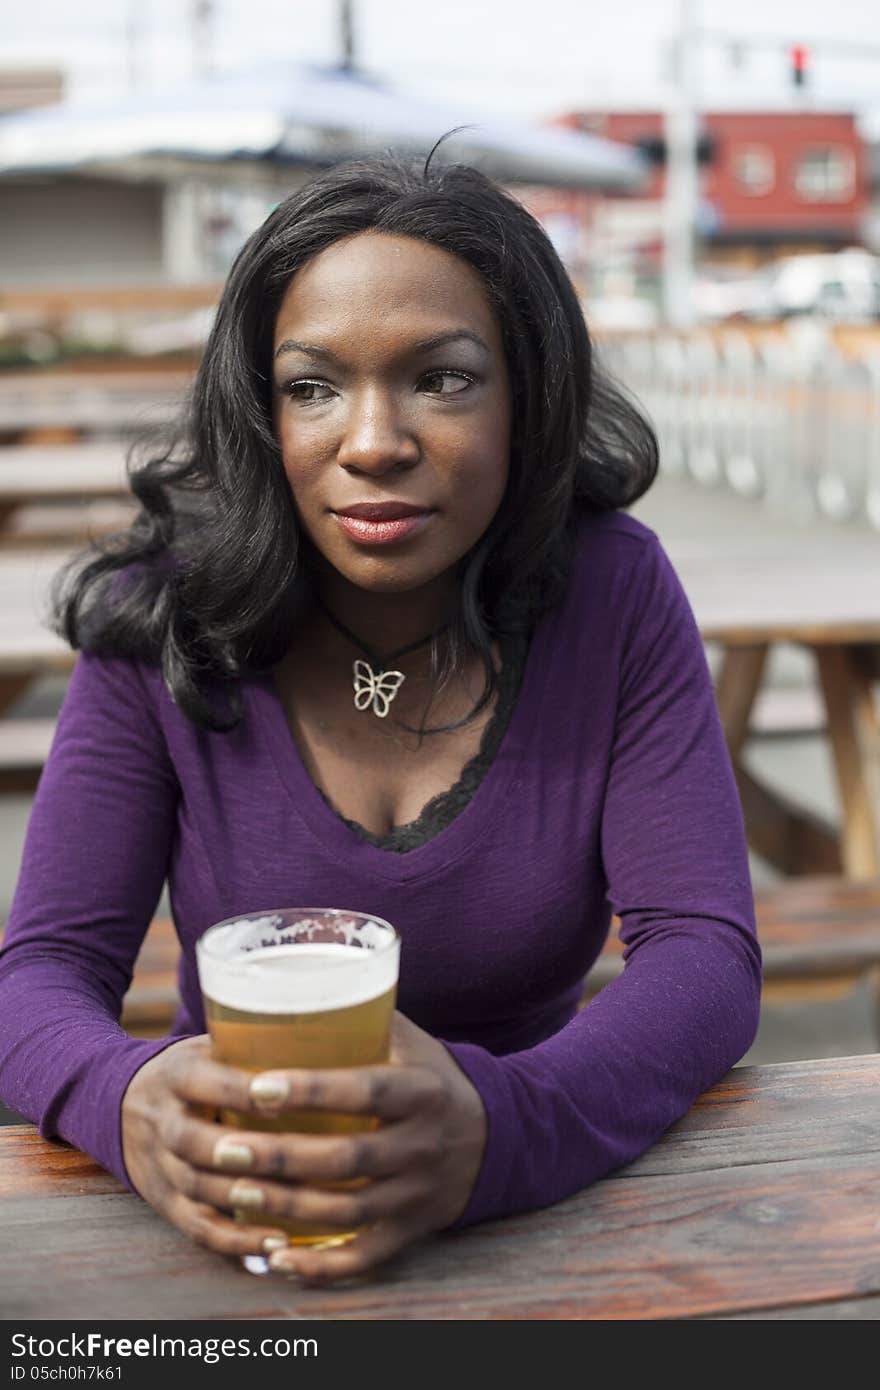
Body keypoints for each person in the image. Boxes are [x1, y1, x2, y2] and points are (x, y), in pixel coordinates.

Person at [0, 148, 761, 1285]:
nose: (369, 442)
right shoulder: (166, 613)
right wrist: (128, 1102)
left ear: (528, 392)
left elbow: (702, 954)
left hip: (539, 1227)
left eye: (442, 378)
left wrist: (506, 1125)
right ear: (262, 411)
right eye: (311, 386)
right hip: (237, 1212)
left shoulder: (610, 589)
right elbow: (42, 970)